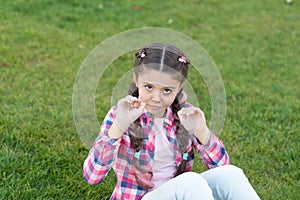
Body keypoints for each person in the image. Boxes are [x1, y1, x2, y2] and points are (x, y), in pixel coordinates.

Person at [83, 42, 260, 200]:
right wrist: (118, 127)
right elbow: (92, 176)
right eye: (149, 87)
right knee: (190, 181)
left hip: (179, 193)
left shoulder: (183, 114)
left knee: (231, 174)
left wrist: (202, 131)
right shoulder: (120, 114)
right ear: (137, 80)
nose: (156, 98)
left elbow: (221, 168)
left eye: (167, 90)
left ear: (179, 88)